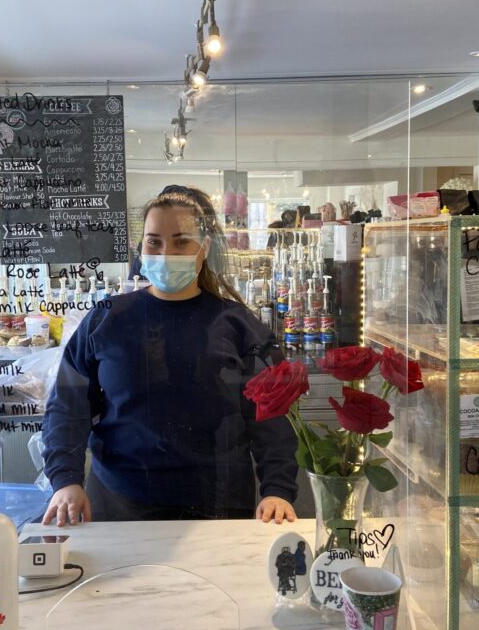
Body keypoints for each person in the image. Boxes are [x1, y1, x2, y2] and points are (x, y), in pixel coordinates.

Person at [41, 186, 298, 525]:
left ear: (203, 248)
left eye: (181, 241)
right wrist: (66, 480)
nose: (165, 253)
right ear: (141, 249)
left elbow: (272, 417)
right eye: (154, 242)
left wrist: (277, 489)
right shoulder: (106, 319)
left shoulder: (239, 325)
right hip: (122, 503)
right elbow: (67, 404)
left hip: (219, 502)